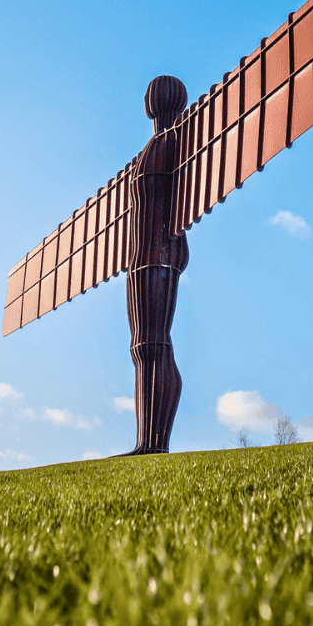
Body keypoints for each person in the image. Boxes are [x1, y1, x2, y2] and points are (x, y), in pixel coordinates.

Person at [120, 75, 188, 455]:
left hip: (160, 254)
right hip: (141, 259)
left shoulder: (176, 141)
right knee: (142, 346)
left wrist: (174, 244)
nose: (150, 98)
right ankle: (145, 439)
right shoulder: (152, 146)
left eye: (154, 92)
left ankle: (153, 443)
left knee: (153, 343)